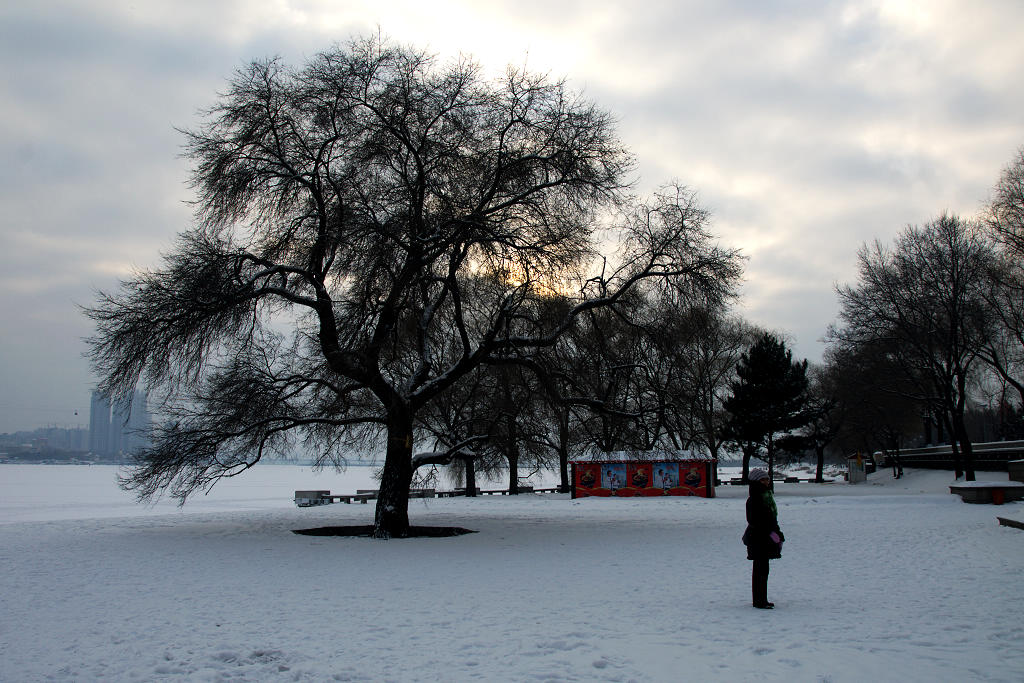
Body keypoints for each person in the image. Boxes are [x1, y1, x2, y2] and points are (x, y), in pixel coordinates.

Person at [742, 468, 784, 609]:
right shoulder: (754, 498)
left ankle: (762, 599)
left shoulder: (766, 496)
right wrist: (769, 532)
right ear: (756, 481)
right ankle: (759, 601)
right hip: (758, 539)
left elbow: (772, 518)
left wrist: (777, 532)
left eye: (767, 479)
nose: (766, 482)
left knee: (763, 569)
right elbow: (754, 520)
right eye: (763, 479)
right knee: (760, 569)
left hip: (765, 538)